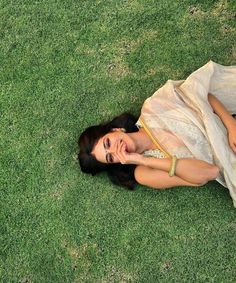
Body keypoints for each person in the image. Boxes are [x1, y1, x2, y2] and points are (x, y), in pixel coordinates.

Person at [78, 61, 236, 207]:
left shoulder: (152, 108)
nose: (115, 149)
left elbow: (201, 94)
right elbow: (210, 172)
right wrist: (142, 160)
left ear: (115, 130)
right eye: (110, 157)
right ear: (117, 163)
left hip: (227, 119)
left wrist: (230, 125)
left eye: (108, 143)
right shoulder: (143, 173)